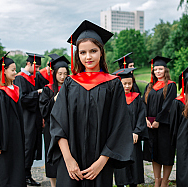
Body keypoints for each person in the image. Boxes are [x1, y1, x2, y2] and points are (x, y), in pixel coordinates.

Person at [47, 20, 134, 187]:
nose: (88, 57)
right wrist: (68, 159)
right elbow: (58, 123)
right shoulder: (70, 83)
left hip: (100, 163)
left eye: (93, 51)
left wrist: (101, 162)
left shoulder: (113, 84)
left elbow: (119, 125)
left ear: (101, 52)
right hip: (71, 163)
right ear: (77, 55)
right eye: (82, 52)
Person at [0, 52, 26, 187]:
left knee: (17, 167)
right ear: (4, 71)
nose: (15, 72)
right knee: (6, 170)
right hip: (4, 140)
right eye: (13, 70)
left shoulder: (15, 89)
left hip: (16, 137)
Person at [142, 56, 177, 187]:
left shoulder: (171, 85)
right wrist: (145, 118)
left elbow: (168, 105)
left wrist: (158, 120)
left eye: (160, 69)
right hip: (150, 125)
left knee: (166, 153)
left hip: (164, 126)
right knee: (154, 153)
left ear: (165, 70)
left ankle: (165, 181)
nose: (158, 72)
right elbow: (143, 104)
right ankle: (157, 181)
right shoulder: (150, 86)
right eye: (156, 69)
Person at [112, 68, 148, 187]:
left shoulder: (136, 98)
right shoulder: (114, 99)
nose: (127, 86)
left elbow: (141, 116)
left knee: (135, 165)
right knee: (121, 166)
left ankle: (134, 184)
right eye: (124, 83)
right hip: (120, 139)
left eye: (130, 83)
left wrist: (137, 132)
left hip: (134, 138)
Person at [14, 52, 44, 186]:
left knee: (32, 146)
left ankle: (27, 175)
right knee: (27, 146)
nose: (37, 69)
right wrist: (37, 92)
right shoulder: (20, 78)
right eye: (36, 66)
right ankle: (23, 176)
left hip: (34, 117)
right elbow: (22, 98)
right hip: (26, 118)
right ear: (28, 64)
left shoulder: (34, 77)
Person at [39, 55, 70, 187]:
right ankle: (53, 184)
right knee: (52, 156)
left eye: (65, 74)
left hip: (68, 128)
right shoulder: (47, 89)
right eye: (59, 74)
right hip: (51, 129)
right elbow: (43, 111)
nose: (62, 77)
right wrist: (54, 100)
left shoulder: (72, 88)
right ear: (54, 74)